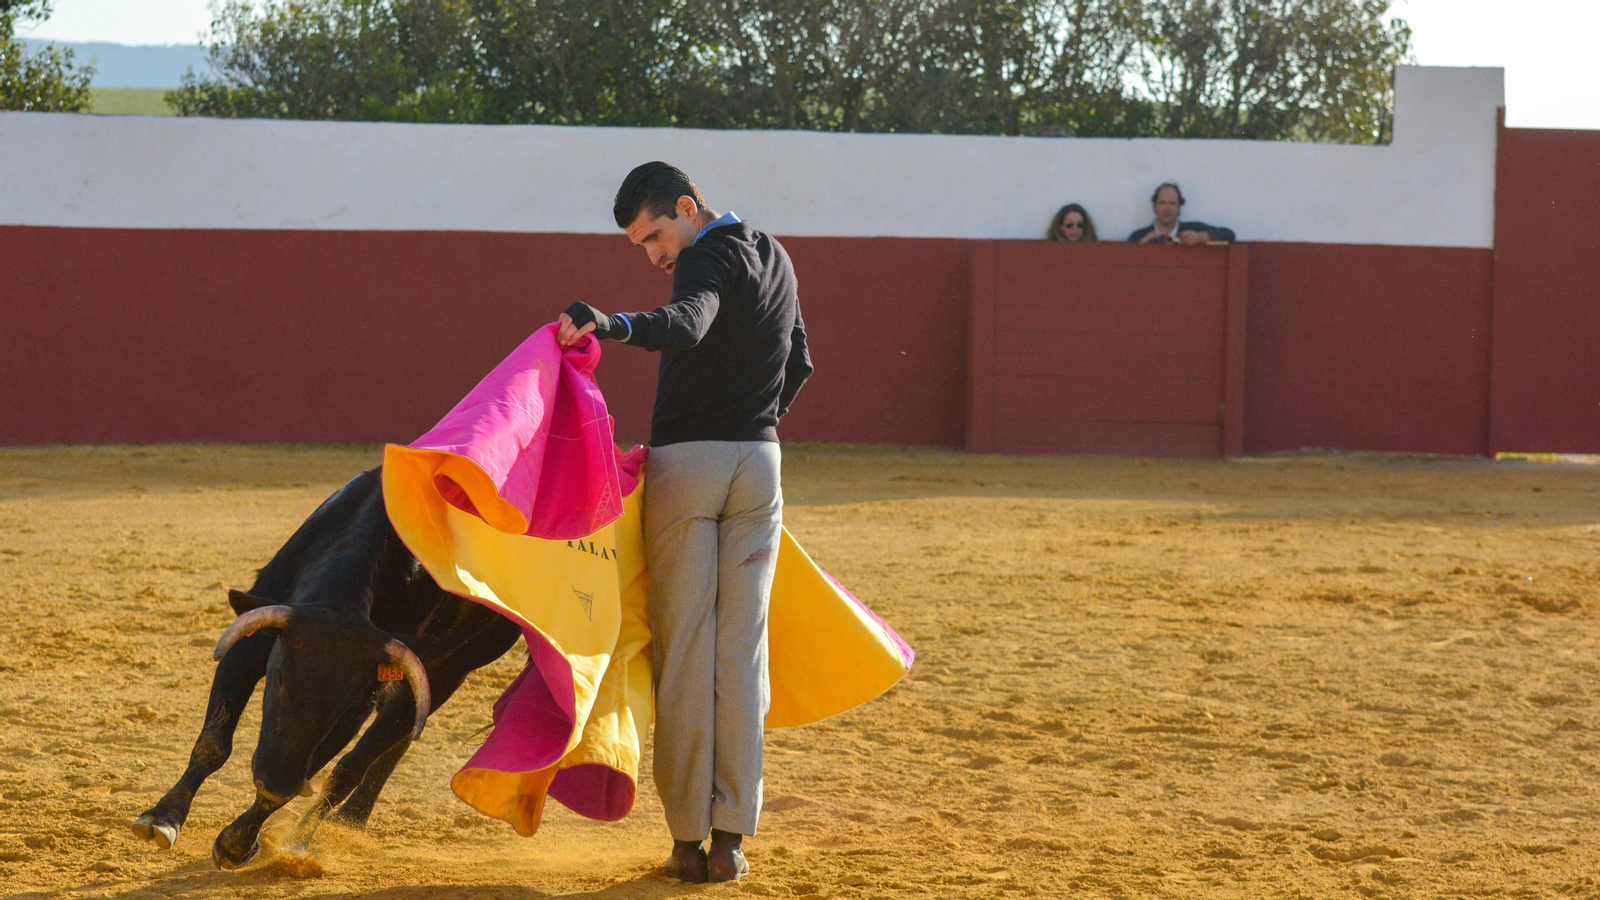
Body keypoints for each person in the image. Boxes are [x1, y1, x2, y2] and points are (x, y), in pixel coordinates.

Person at [554, 161, 811, 885]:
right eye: (641, 245)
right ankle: (733, 837)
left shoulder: (705, 257)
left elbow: (687, 325)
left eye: (656, 234)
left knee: (688, 653)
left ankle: (686, 840)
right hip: (760, 466)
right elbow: (800, 361)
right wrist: (752, 422)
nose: (654, 254)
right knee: (741, 654)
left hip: (689, 469)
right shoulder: (777, 256)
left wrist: (614, 323)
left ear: (689, 207)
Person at [1127, 182, 1235, 245]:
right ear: (1154, 207)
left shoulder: (1193, 229)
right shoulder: (1139, 236)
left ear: (1179, 208)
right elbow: (1125, 260)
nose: (1167, 208)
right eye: (1163, 203)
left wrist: (1199, 237)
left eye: (1172, 203)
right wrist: (1143, 244)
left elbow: (1229, 234)